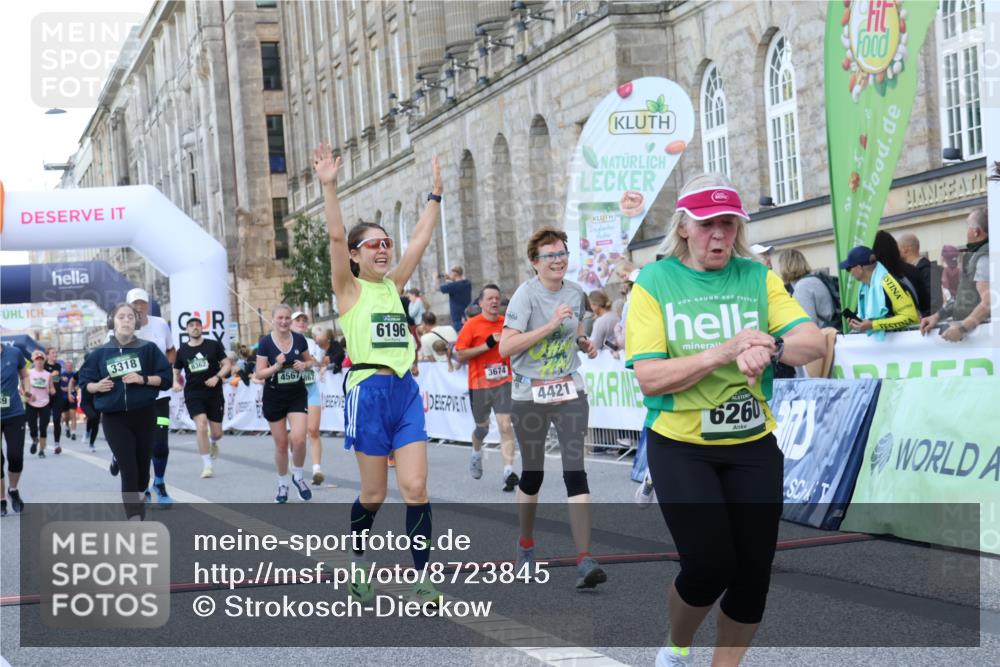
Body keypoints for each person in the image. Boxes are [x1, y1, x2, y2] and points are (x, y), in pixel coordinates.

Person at [626, 174, 825, 667]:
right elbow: (650, 377)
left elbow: (813, 341)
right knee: (710, 565)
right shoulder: (654, 282)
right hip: (681, 444)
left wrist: (771, 345)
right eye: (708, 224)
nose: (720, 235)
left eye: (729, 224)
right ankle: (676, 646)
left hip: (751, 442)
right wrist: (725, 352)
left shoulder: (757, 276)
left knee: (754, 574)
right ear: (685, 227)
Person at [315, 141, 444, 606]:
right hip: (366, 391)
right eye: (376, 244)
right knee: (373, 493)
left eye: (388, 242)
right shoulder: (349, 290)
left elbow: (421, 241)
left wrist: (435, 197)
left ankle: (425, 577)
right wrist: (330, 185)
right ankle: (358, 561)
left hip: (404, 391)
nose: (386, 250)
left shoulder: (394, 286)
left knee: (416, 487)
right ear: (356, 255)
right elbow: (333, 237)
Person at [498, 226, 606, 591]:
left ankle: (584, 559)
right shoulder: (524, 297)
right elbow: (505, 348)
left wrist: (584, 343)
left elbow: (575, 331)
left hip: (569, 389)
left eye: (562, 254)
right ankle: (525, 544)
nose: (559, 261)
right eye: (550, 255)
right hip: (530, 395)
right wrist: (549, 325)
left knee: (576, 472)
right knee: (533, 475)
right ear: (535, 263)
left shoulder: (575, 293)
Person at [78, 303, 172, 520]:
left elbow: (166, 379)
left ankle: (139, 502)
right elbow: (85, 382)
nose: (127, 320)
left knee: (142, 469)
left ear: (136, 322)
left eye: (131, 317)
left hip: (144, 414)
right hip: (114, 418)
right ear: (113, 322)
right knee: (128, 469)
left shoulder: (148, 349)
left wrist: (143, 379)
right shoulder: (100, 353)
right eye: (122, 316)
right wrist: (97, 386)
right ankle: (134, 518)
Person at [454, 284, 519, 491]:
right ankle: (476, 452)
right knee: (482, 428)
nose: (494, 301)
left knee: (505, 425)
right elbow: (460, 354)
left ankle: (508, 471)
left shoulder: (507, 324)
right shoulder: (472, 325)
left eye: (497, 298)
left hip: (503, 382)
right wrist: (487, 345)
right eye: (489, 298)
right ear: (480, 303)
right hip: (479, 385)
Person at [255, 304, 317, 503]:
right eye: (280, 318)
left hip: (296, 395)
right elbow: (259, 373)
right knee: (281, 444)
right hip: (274, 397)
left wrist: (304, 365)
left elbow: (311, 361)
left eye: (287, 318)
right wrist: (276, 366)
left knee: (299, 439)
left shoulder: (299, 339)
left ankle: (298, 476)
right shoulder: (265, 343)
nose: (284, 322)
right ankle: (282, 484)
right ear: (272, 319)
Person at [127, 288, 177, 505]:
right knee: (140, 445)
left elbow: (171, 350)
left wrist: (165, 369)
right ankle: (142, 486)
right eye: (134, 304)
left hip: (160, 394)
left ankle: (159, 482)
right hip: (136, 397)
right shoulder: (124, 328)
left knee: (160, 443)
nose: (139, 307)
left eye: (142, 303)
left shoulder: (160, 324)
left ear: (147, 305)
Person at [919, 206, 991, 343]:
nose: (966, 231)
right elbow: (962, 298)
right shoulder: (977, 254)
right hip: (976, 336)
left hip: (981, 338)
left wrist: (962, 328)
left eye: (968, 226)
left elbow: (988, 302)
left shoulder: (983, 256)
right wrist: (937, 316)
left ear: (976, 232)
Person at [173, 316, 230, 483]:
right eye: (191, 325)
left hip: (214, 392)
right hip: (193, 393)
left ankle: (213, 441)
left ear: (201, 328)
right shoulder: (182, 350)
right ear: (187, 330)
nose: (195, 327)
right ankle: (207, 465)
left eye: (197, 324)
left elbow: (227, 364)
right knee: (201, 424)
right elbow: (175, 370)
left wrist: (217, 377)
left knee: (218, 433)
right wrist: (176, 382)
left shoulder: (213, 345)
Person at [841, 245, 919, 337]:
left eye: (848, 269)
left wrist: (873, 325)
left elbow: (910, 317)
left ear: (859, 268)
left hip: (905, 345)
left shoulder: (888, 283)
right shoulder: (865, 287)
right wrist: (860, 323)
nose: (849, 273)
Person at [291, 311, 327, 486]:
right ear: (290, 323)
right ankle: (294, 461)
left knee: (313, 430)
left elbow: (316, 361)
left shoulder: (312, 343)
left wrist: (307, 362)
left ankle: (317, 470)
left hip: (310, 387)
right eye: (297, 320)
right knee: (296, 434)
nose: (301, 322)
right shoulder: (284, 342)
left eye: (304, 320)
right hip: (292, 390)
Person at [1, 343, 30, 515]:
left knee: (15, 456)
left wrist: (26, 387)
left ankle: (13, 490)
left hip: (14, 413)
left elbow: (24, 374)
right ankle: (1, 499)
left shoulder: (14, 353)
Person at [777, 249, 836, 327]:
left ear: (785, 266)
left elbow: (808, 324)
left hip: (822, 334)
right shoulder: (814, 279)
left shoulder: (802, 287)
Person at [873, 230, 927, 316]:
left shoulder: (879, 278)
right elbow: (925, 303)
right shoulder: (913, 270)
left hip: (894, 325)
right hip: (919, 323)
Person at [25, 350, 55, 458]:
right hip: (31, 403)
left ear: (44, 361)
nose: (39, 362)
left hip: (44, 403)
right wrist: (28, 395)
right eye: (37, 360)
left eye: (41, 360)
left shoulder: (48, 375)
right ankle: (34, 440)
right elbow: (22, 388)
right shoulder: (29, 373)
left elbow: (51, 387)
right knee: (33, 427)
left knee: (43, 428)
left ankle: (42, 450)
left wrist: (52, 391)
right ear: (34, 361)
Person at [43, 348, 64, 453]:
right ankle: (42, 444)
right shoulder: (43, 366)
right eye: (53, 353)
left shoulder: (58, 366)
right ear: (47, 355)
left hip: (57, 395)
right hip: (45, 396)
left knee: (56, 420)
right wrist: (51, 375)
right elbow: (41, 381)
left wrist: (58, 378)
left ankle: (57, 445)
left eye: (56, 352)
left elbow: (56, 381)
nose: (55, 354)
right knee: (45, 421)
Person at [438, 266, 472, 330]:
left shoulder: (454, 286)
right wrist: (451, 278)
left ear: (455, 274)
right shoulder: (468, 283)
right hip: (467, 316)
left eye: (451, 273)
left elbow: (440, 288)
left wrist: (438, 278)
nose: (450, 275)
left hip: (458, 319)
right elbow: (460, 282)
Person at [59, 360, 78, 443]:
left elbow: (78, 385)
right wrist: (63, 389)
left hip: (73, 396)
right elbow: (55, 385)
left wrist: (74, 388)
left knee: (73, 414)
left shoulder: (75, 375)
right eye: (67, 366)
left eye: (70, 366)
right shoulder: (61, 375)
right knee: (66, 416)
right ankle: (67, 426)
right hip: (63, 397)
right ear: (65, 367)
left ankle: (73, 433)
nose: (69, 367)